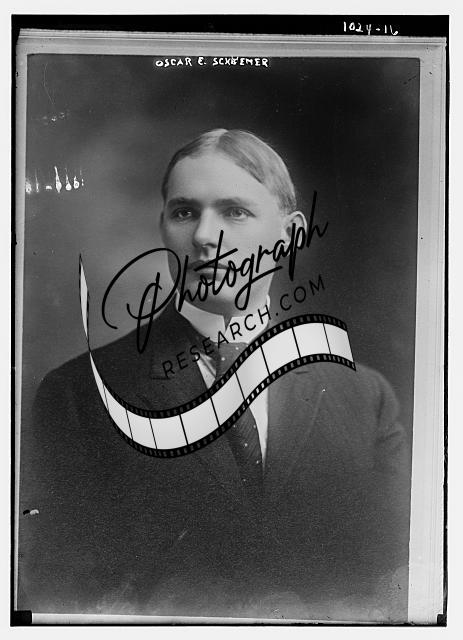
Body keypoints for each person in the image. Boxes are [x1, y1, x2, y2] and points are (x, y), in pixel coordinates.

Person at [19, 129, 411, 621]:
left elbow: (395, 580)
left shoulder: (364, 396)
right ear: (163, 227)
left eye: (234, 212)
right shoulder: (80, 394)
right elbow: (63, 593)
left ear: (290, 237)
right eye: (185, 212)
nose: (204, 236)